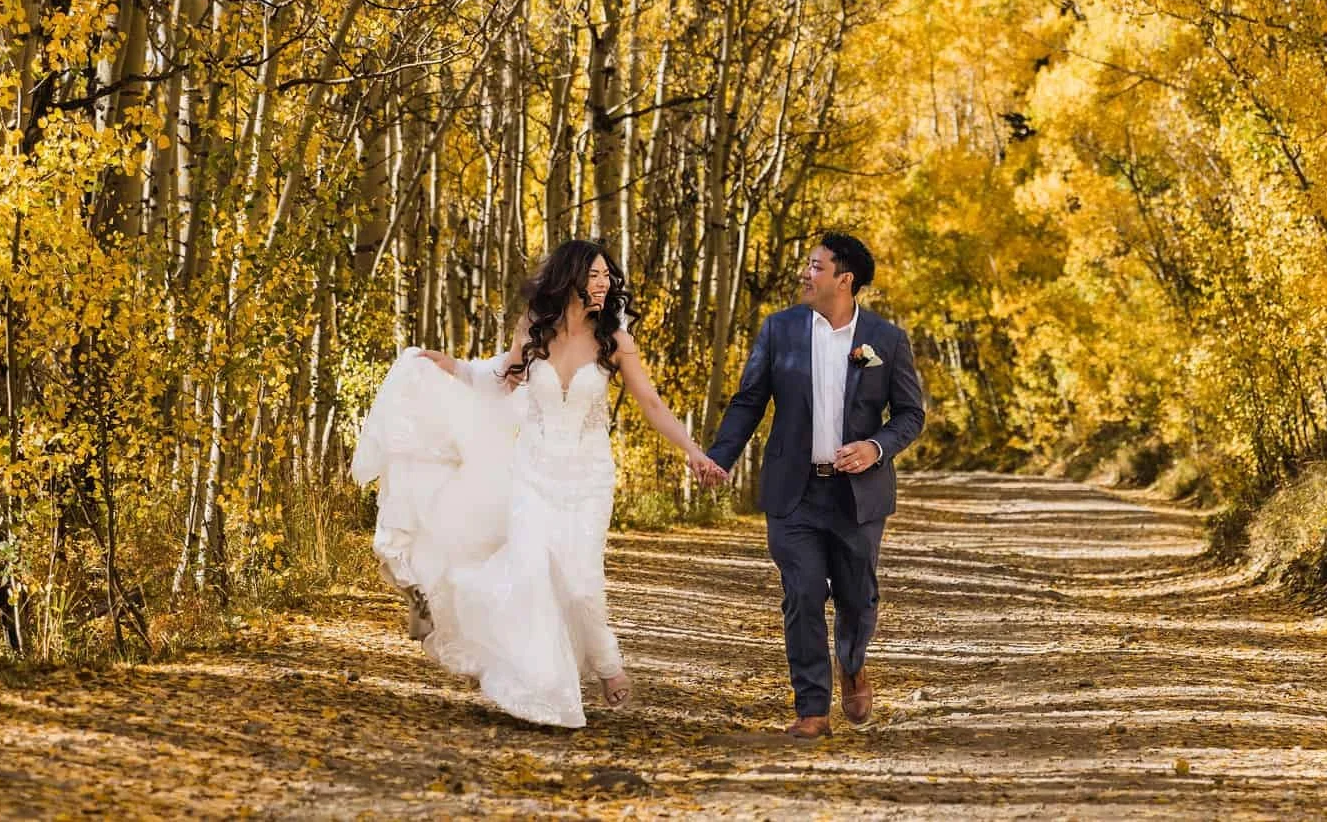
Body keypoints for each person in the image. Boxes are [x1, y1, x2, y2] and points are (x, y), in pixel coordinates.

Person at [350, 239, 714, 728]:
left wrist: (692, 450)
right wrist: (451, 368)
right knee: (531, 573)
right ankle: (544, 688)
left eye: (609, 276)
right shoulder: (535, 330)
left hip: (588, 478)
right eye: (595, 275)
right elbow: (500, 380)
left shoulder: (614, 342)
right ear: (571, 279)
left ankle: (606, 665)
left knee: (581, 578)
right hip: (533, 474)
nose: (605, 284)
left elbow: (650, 402)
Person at [698, 233, 926, 738]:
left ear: (844, 280)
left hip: (857, 497)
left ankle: (852, 662)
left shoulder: (885, 340)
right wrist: (720, 458)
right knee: (801, 594)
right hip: (793, 492)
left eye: (816, 266)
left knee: (857, 598)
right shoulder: (779, 330)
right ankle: (812, 709)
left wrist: (875, 447)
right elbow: (748, 401)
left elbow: (911, 414)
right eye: (807, 265)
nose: (806, 273)